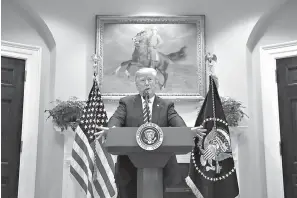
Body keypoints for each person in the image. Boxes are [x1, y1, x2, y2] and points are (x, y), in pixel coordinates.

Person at [95, 68, 206, 198]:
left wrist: (187, 131)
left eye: (150, 80)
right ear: (136, 84)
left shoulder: (166, 105)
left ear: (156, 82)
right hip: (129, 167)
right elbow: (116, 119)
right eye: (142, 80)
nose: (147, 83)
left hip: (162, 167)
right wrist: (112, 129)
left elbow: (178, 123)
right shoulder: (126, 103)